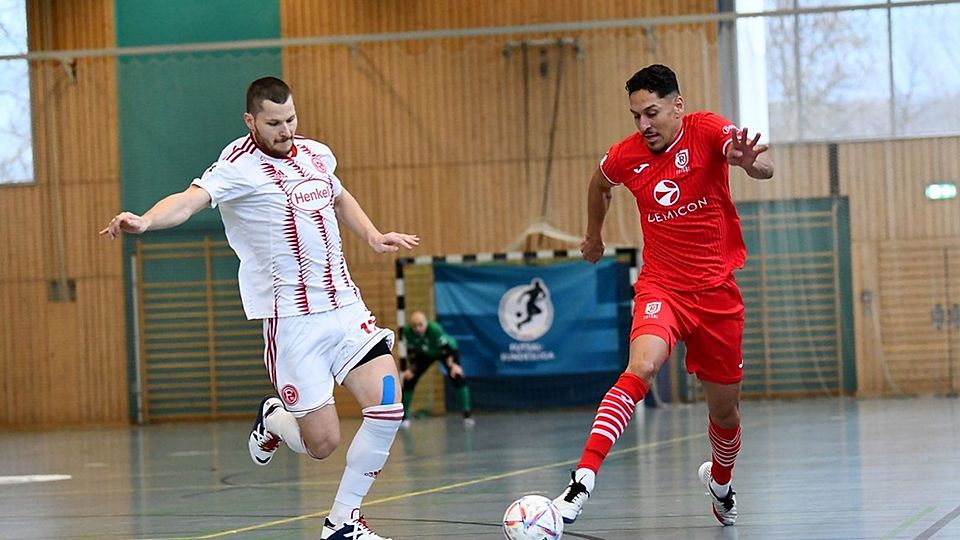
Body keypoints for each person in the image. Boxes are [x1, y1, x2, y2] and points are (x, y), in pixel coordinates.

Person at [100, 77, 418, 540]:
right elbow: (189, 202)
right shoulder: (236, 167)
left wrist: (371, 234)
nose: (285, 130)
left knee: (388, 406)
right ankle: (273, 418)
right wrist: (146, 220)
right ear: (251, 121)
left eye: (291, 118)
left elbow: (338, 193)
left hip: (345, 307)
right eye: (273, 123)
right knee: (322, 444)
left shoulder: (315, 153)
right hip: (292, 323)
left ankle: (342, 523)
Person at [551, 64, 774, 527]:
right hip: (662, 286)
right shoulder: (625, 156)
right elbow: (599, 185)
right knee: (642, 366)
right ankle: (582, 480)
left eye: (651, 113)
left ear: (677, 105)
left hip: (716, 293)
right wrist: (594, 236)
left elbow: (762, 164)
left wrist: (750, 163)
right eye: (636, 116)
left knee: (726, 412)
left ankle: (721, 482)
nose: (643, 125)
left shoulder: (708, 129)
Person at [398, 311, 474, 428]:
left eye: (420, 325)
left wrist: (454, 365)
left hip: (444, 352)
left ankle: (467, 414)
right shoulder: (408, 332)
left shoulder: (435, 330)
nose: (418, 329)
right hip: (425, 354)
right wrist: (412, 369)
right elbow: (411, 352)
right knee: (409, 380)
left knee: (457, 376)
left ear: (426, 323)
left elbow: (447, 349)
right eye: (414, 326)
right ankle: (404, 416)